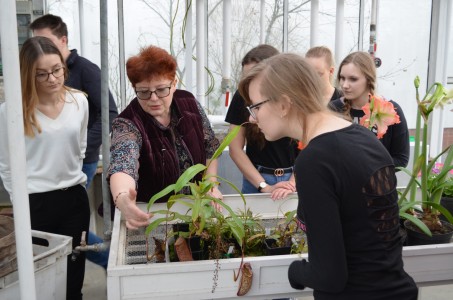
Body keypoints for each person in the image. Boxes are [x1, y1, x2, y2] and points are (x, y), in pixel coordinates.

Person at [238, 53, 418, 299]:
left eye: (256, 106)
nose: (251, 117)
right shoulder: (364, 137)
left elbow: (329, 275)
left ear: (283, 104)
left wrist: (295, 271)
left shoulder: (315, 160)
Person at [0, 36, 90, 300]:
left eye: (57, 70)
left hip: (74, 197)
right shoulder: (11, 111)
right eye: (41, 74)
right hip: (34, 203)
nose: (52, 78)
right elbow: (6, 165)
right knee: (40, 278)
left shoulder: (78, 102)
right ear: (28, 75)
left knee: (74, 273)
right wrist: (21, 203)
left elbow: (81, 148)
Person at [30, 14, 118, 269]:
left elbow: (109, 114)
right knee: (61, 227)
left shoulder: (86, 71)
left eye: (45, 41)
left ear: (63, 40)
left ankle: (107, 258)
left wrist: (81, 148)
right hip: (48, 165)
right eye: (35, 41)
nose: (40, 47)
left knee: (68, 226)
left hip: (79, 161)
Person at [108, 45, 221, 230]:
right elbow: (123, 163)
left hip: (195, 208)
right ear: (134, 87)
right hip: (154, 217)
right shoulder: (128, 123)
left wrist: (210, 185)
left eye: (161, 90)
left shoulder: (189, 103)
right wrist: (123, 199)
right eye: (144, 92)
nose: (153, 98)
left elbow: (210, 148)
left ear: (174, 82)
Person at [225, 44, 297, 200]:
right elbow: (234, 147)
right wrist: (264, 186)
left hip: (295, 177)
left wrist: (293, 182)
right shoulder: (242, 96)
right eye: (246, 78)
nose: (249, 84)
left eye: (255, 76)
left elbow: (310, 145)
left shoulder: (293, 98)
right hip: (256, 178)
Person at [330, 51, 409, 169]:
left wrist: (367, 166)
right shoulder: (332, 110)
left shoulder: (391, 110)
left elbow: (401, 160)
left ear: (368, 79)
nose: (345, 85)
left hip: (378, 186)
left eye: (353, 79)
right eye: (342, 78)